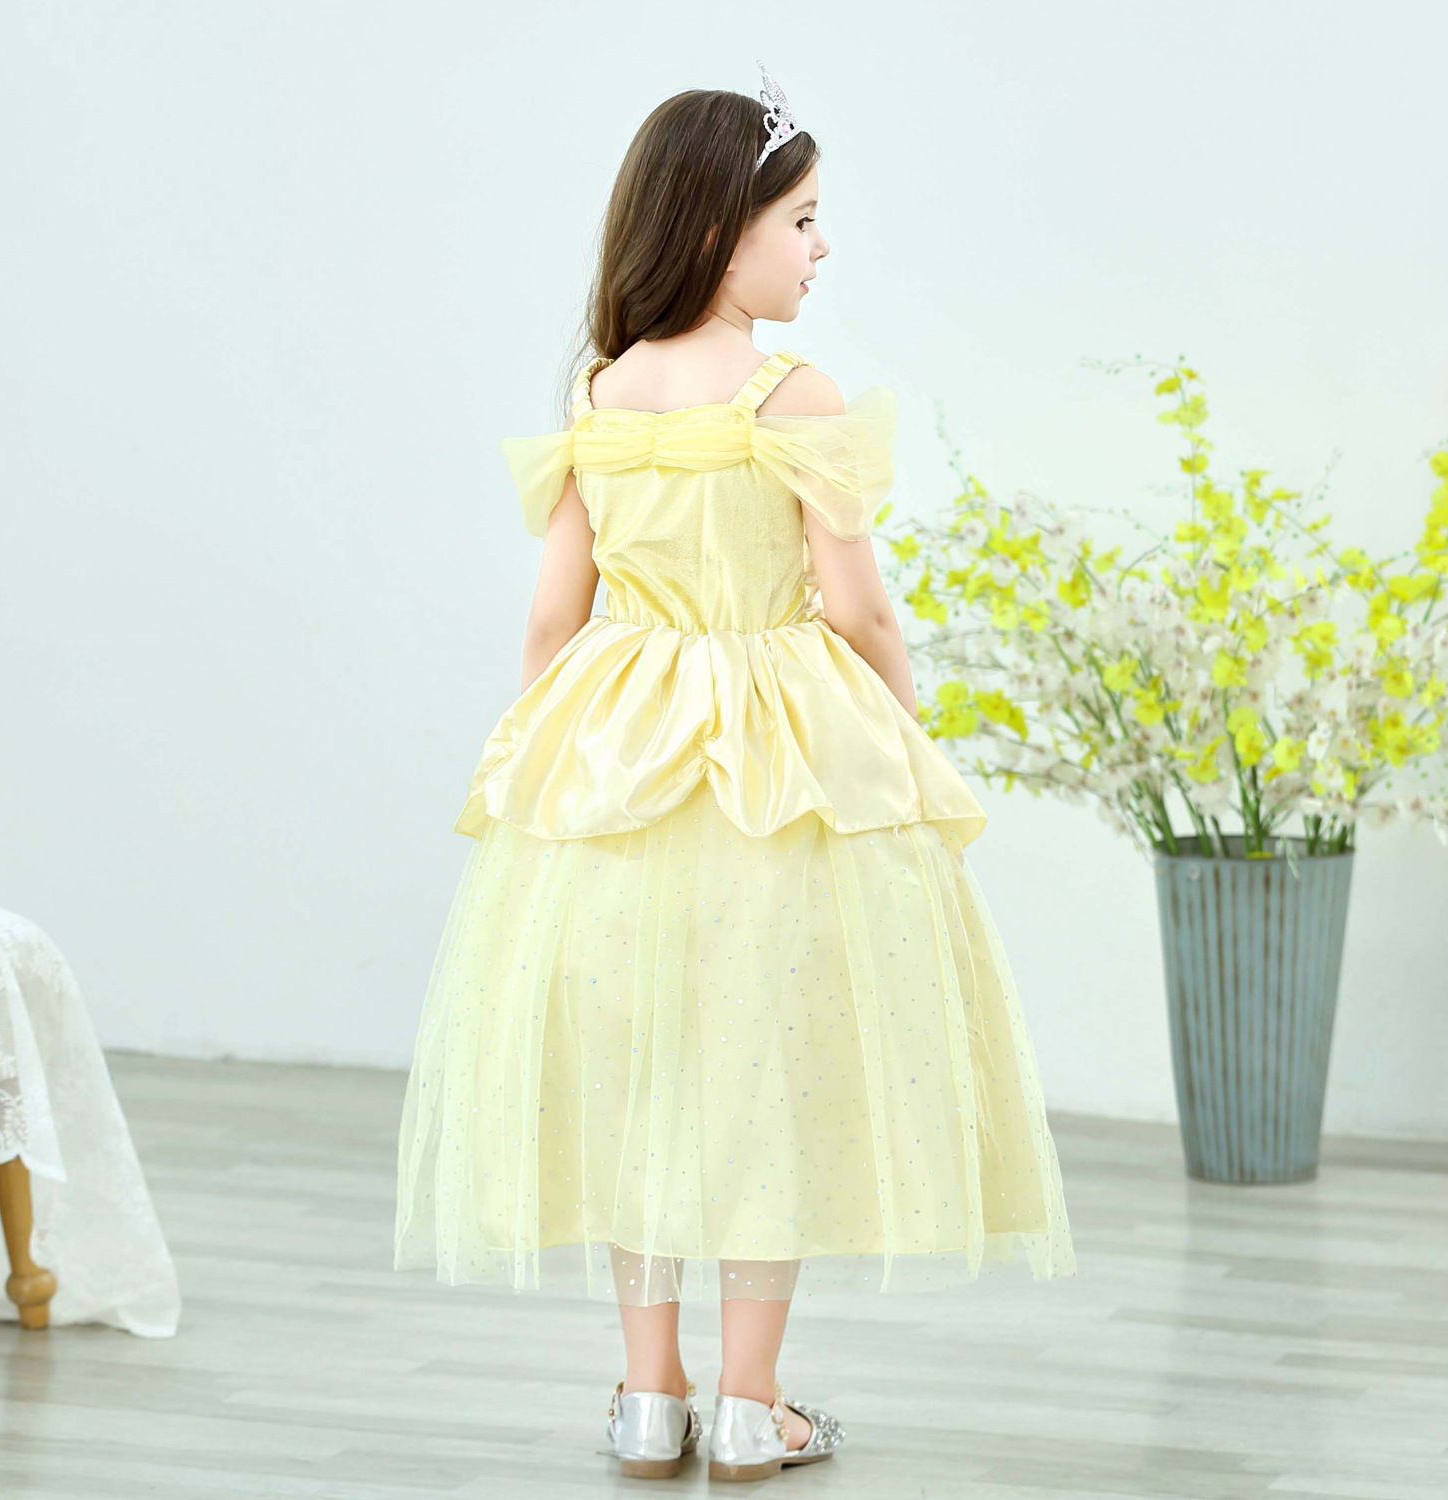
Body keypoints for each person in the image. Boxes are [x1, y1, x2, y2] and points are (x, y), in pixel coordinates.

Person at [394, 62, 1075, 1484]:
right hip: (775, 761)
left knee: (640, 1070)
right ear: (721, 228)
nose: (824, 248)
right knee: (770, 1068)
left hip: (621, 757)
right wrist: (901, 738)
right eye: (804, 220)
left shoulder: (601, 391)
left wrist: (542, 759)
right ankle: (754, 1405)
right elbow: (859, 609)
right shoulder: (792, 394)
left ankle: (651, 1398)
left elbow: (551, 618)